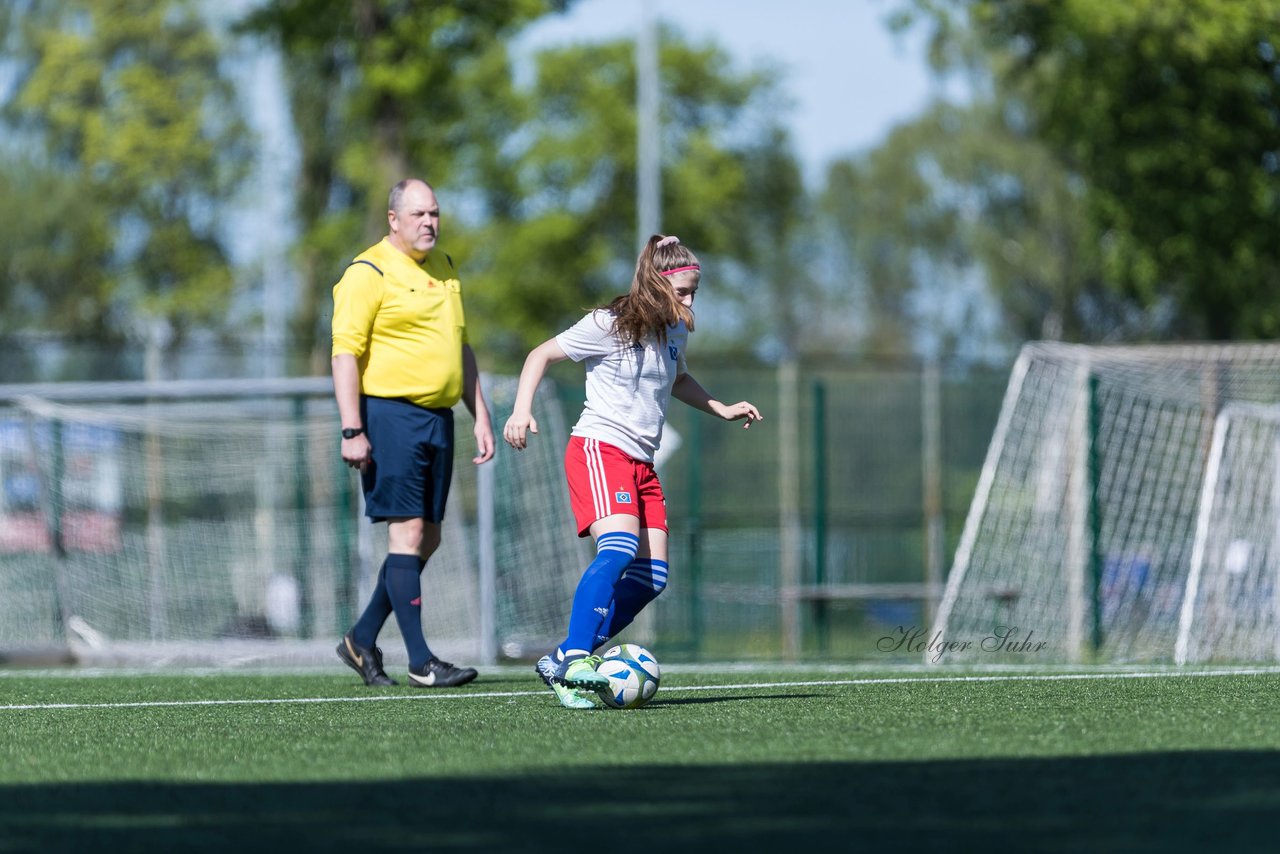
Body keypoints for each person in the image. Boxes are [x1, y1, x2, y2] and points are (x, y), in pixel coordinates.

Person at [502, 234, 762, 708]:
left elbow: (678, 378)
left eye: (694, 292)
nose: (689, 301)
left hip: (640, 463)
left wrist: (720, 407)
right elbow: (539, 354)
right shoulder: (609, 324)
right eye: (682, 292)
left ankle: (561, 656)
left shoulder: (674, 332)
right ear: (656, 284)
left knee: (652, 577)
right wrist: (521, 410)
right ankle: (578, 660)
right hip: (600, 451)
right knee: (618, 549)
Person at [331, 177, 495, 688]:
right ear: (393, 220)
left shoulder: (445, 268)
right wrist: (352, 428)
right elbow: (344, 354)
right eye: (419, 214)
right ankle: (422, 660)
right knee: (407, 535)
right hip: (390, 416)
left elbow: (459, 347)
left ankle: (360, 639)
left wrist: (481, 413)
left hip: (438, 419)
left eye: (435, 213)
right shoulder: (368, 271)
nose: (430, 223)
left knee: (430, 537)